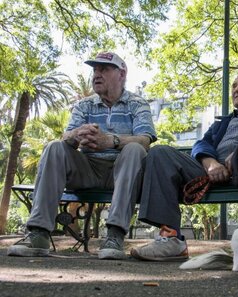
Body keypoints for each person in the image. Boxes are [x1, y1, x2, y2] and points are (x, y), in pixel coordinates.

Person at [7, 52, 157, 260]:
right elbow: (66, 135)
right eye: (95, 70)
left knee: (134, 149)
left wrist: (110, 141)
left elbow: (145, 140)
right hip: (88, 169)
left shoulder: (137, 104)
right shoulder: (85, 105)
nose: (96, 74)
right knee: (54, 147)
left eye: (104, 69)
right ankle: (38, 234)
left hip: (122, 170)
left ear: (121, 74)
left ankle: (114, 235)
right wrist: (76, 135)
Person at [130, 73, 238, 261]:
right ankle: (171, 239)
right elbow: (201, 144)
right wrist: (210, 163)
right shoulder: (221, 123)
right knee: (159, 152)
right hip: (212, 171)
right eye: (234, 86)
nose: (236, 89)